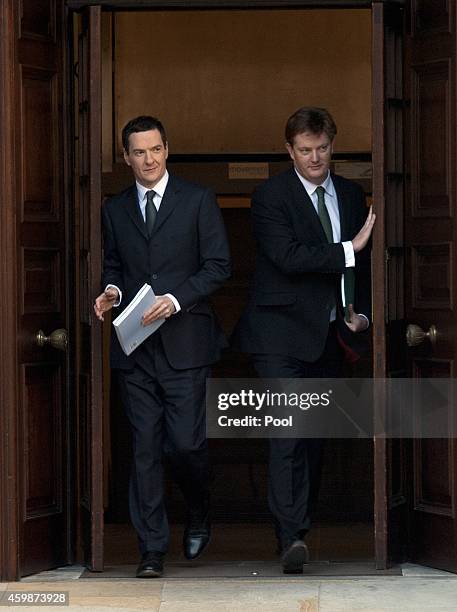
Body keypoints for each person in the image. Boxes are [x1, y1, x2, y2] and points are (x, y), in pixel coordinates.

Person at [233, 107, 375, 573]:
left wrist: (363, 313)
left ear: (334, 145)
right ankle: (289, 536)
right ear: (289, 150)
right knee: (288, 432)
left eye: (323, 149)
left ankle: (299, 527)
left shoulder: (353, 196)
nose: (315, 158)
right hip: (277, 336)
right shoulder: (269, 196)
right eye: (306, 150)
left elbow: (365, 269)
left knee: (313, 438)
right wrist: (346, 249)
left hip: (329, 336)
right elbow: (288, 256)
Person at [94, 115, 231, 578]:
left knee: (186, 445)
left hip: (187, 343)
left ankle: (198, 509)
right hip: (136, 349)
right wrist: (111, 292)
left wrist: (175, 299)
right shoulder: (114, 209)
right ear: (126, 157)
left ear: (167, 149)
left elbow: (218, 266)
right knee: (145, 449)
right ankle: (151, 548)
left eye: (155, 149)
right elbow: (114, 265)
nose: (148, 159)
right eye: (138, 152)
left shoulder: (198, 199)